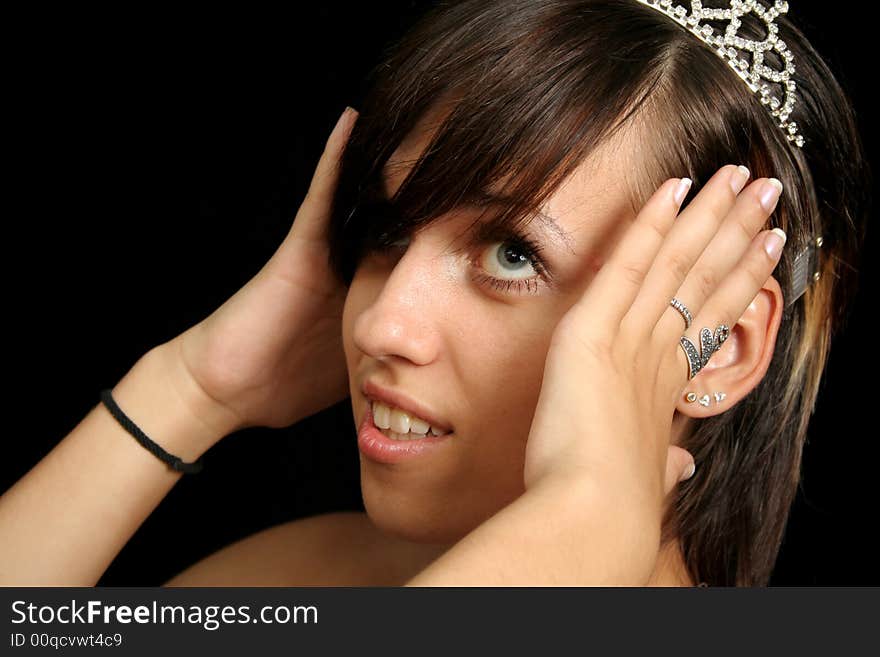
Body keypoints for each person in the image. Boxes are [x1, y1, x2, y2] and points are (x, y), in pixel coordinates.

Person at [0, 0, 869, 586]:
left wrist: (593, 509)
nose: (380, 320)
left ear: (719, 344)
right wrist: (194, 386)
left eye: (511, 251)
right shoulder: (306, 573)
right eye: (387, 230)